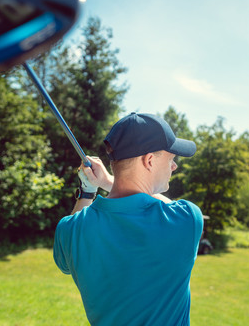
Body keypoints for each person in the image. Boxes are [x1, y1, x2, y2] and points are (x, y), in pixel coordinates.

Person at [53, 112, 204, 326]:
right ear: (149, 160)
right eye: (171, 159)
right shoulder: (186, 219)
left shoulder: (71, 230)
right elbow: (155, 200)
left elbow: (65, 262)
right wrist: (107, 182)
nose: (174, 166)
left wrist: (88, 192)